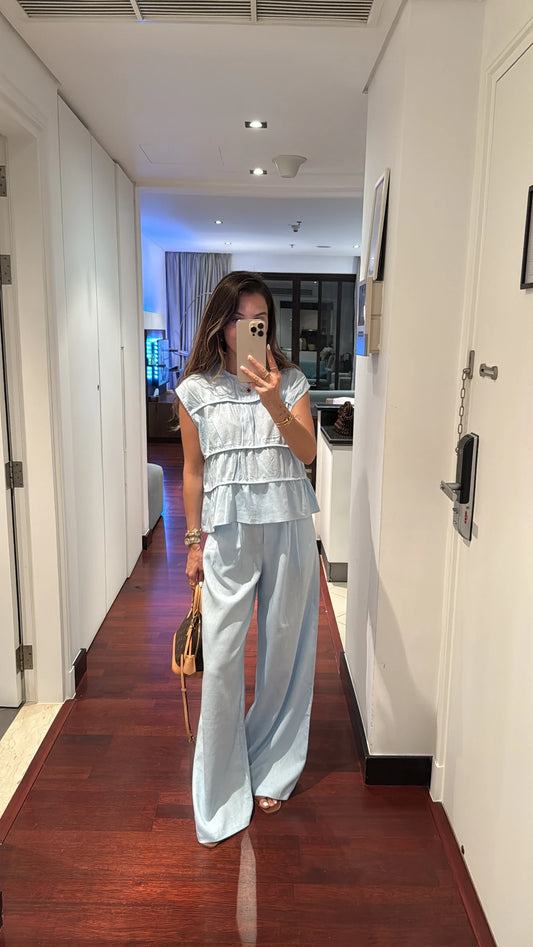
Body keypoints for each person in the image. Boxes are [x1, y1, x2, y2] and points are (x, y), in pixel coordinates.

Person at [176, 270, 320, 848]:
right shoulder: (195, 391)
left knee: (285, 650)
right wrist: (193, 542)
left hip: (288, 525)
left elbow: (307, 453)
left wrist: (272, 400)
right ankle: (220, 780)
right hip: (229, 533)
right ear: (222, 324)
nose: (251, 329)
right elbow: (193, 470)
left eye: (260, 319)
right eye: (241, 319)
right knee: (222, 657)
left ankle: (275, 765)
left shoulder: (291, 381)